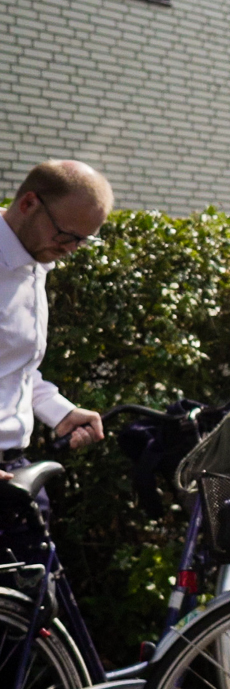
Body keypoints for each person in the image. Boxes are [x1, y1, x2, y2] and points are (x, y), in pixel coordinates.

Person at [1, 161, 112, 479]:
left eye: (83, 240)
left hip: (14, 464)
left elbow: (13, 368)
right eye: (66, 235)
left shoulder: (34, 257)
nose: (70, 249)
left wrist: (60, 412)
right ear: (28, 204)